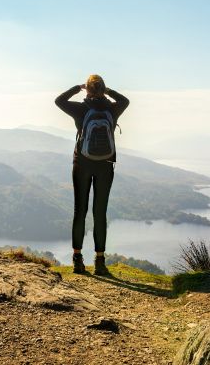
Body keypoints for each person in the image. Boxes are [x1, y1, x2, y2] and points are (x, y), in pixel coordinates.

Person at [55, 74, 129, 275]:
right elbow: (125, 100)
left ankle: (77, 259)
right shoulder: (113, 109)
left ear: (87, 90)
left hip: (82, 164)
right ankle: (100, 261)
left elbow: (58, 101)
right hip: (105, 165)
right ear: (103, 89)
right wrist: (109, 92)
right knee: (100, 213)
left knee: (80, 211)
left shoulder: (80, 109)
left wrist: (75, 88)